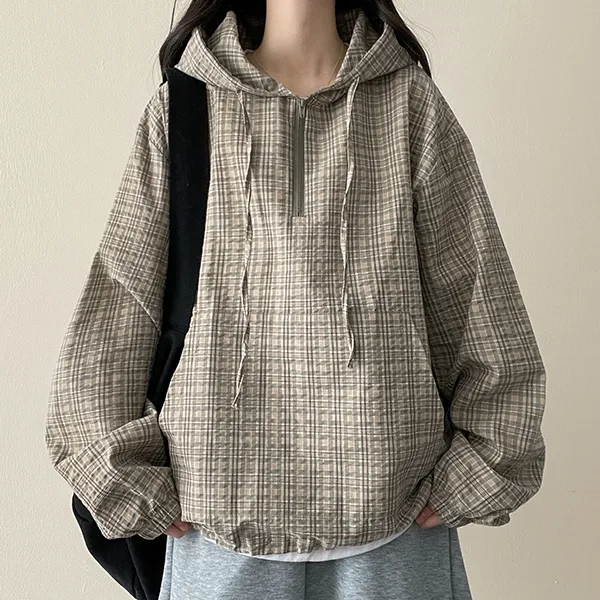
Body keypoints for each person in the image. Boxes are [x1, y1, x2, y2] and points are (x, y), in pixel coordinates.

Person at [45, 1, 548, 599]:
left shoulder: (410, 106)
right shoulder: (185, 109)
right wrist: (119, 475)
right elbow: (118, 304)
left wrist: (485, 464)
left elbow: (477, 297)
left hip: (393, 521)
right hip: (218, 521)